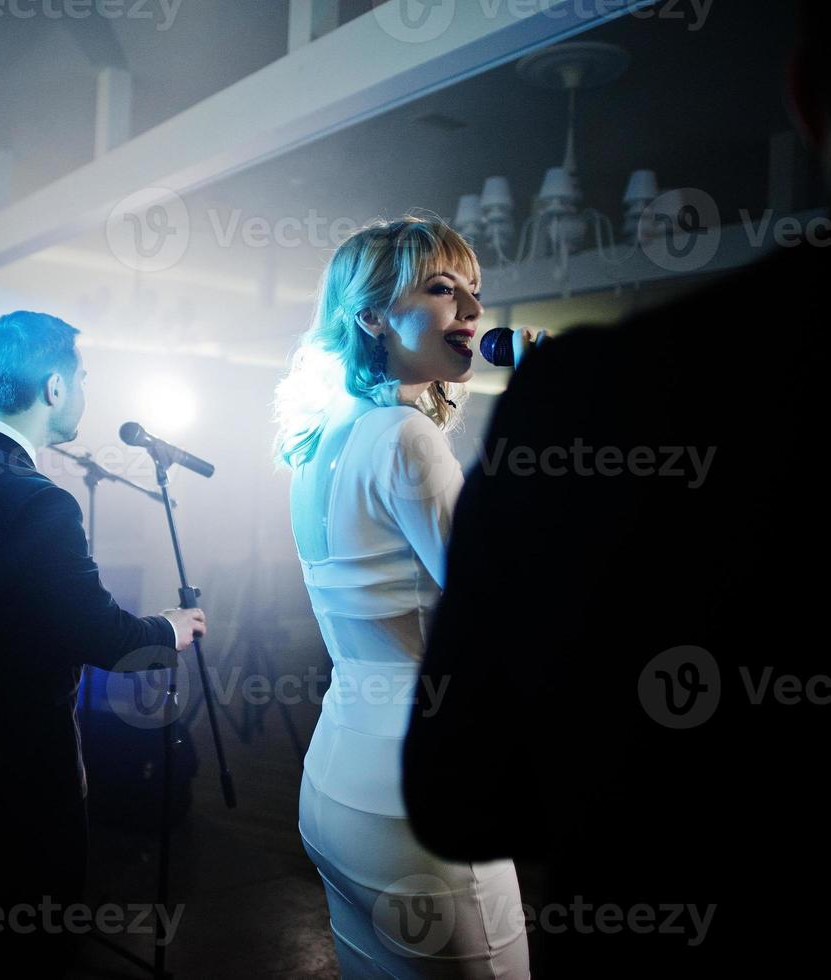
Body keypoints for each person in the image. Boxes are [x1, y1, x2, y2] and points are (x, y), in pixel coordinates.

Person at [403, 5, 831, 976]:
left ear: (805, 98)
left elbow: (467, 789)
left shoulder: (589, 395)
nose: (472, 312)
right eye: (449, 293)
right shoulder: (437, 431)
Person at [0, 310, 207, 976]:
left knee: (10, 908)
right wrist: (169, 630)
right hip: (24, 760)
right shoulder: (39, 500)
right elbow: (98, 634)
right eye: (84, 376)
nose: (87, 391)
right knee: (40, 928)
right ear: (55, 389)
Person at [273, 216, 530, 978]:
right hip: (419, 803)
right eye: (442, 289)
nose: (472, 312)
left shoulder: (319, 440)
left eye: (475, 293)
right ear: (372, 314)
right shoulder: (405, 437)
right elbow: (506, 610)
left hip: (336, 782)